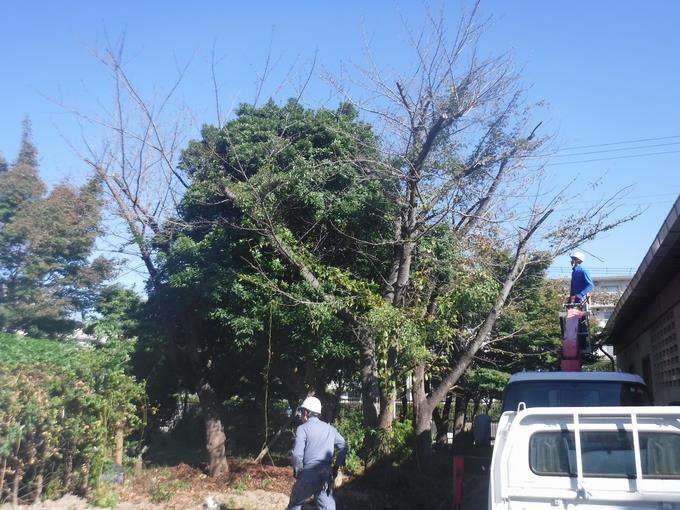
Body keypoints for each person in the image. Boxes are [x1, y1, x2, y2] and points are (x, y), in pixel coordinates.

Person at [288, 396, 347, 510]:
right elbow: (344, 446)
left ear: (307, 412)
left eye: (301, 411)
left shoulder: (302, 429)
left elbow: (296, 455)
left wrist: (298, 470)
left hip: (308, 475)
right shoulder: (330, 429)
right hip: (326, 476)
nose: (300, 415)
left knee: (295, 504)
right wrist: (336, 466)